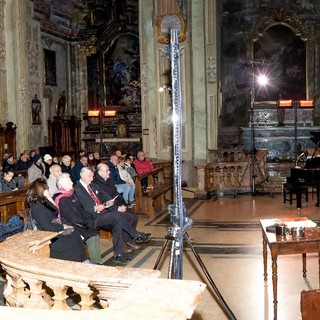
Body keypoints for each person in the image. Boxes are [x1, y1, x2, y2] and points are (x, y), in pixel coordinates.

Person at [75, 167, 150, 263]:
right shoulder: (78, 189)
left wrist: (109, 201)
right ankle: (136, 234)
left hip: (103, 214)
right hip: (92, 218)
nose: (92, 179)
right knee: (116, 216)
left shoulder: (92, 186)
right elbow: (81, 208)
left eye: (92, 177)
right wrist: (95, 208)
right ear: (83, 176)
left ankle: (118, 254)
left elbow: (104, 195)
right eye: (90, 177)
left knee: (118, 221)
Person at [25, 178, 87, 262]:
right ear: (41, 190)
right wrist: (62, 227)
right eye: (46, 189)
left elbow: (54, 212)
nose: (49, 190)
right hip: (47, 235)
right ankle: (74, 263)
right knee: (72, 239)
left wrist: (49, 197)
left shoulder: (43, 202)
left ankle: (82, 260)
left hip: (53, 230)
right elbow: (47, 227)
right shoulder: (38, 207)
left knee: (75, 233)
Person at [93, 163, 151, 250]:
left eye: (109, 170)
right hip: (107, 210)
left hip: (115, 205)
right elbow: (103, 201)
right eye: (107, 171)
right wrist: (117, 208)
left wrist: (123, 205)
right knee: (124, 218)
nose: (109, 172)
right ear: (100, 173)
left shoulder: (108, 180)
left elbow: (116, 194)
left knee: (134, 216)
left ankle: (130, 240)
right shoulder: (96, 184)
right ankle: (128, 241)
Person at [53, 173, 102, 264]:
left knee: (94, 234)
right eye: (69, 181)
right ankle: (92, 263)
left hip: (79, 223)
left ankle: (97, 262)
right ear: (63, 184)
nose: (72, 182)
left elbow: (81, 209)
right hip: (71, 227)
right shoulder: (62, 199)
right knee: (92, 236)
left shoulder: (71, 194)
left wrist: (89, 218)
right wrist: (86, 222)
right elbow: (71, 218)